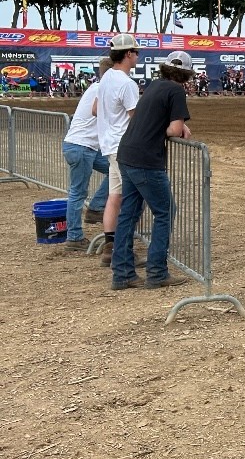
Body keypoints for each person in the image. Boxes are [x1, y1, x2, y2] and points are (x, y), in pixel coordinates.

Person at [110, 51, 194, 290]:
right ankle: (157, 272)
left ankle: (122, 273)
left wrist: (176, 125)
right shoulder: (176, 91)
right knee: (165, 212)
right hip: (146, 160)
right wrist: (179, 127)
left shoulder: (154, 86)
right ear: (186, 74)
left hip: (127, 154)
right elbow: (173, 130)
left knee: (128, 214)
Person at [94, 33, 142, 267]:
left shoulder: (106, 80)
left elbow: (97, 110)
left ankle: (111, 247)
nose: (138, 56)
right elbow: (137, 119)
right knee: (131, 200)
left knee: (115, 197)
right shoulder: (126, 83)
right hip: (124, 148)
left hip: (109, 145)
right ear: (128, 54)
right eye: (136, 52)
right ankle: (124, 251)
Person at [62, 57, 113, 251]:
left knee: (117, 169)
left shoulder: (95, 88)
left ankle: (96, 207)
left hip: (81, 146)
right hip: (82, 147)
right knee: (77, 192)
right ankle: (74, 236)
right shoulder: (103, 89)